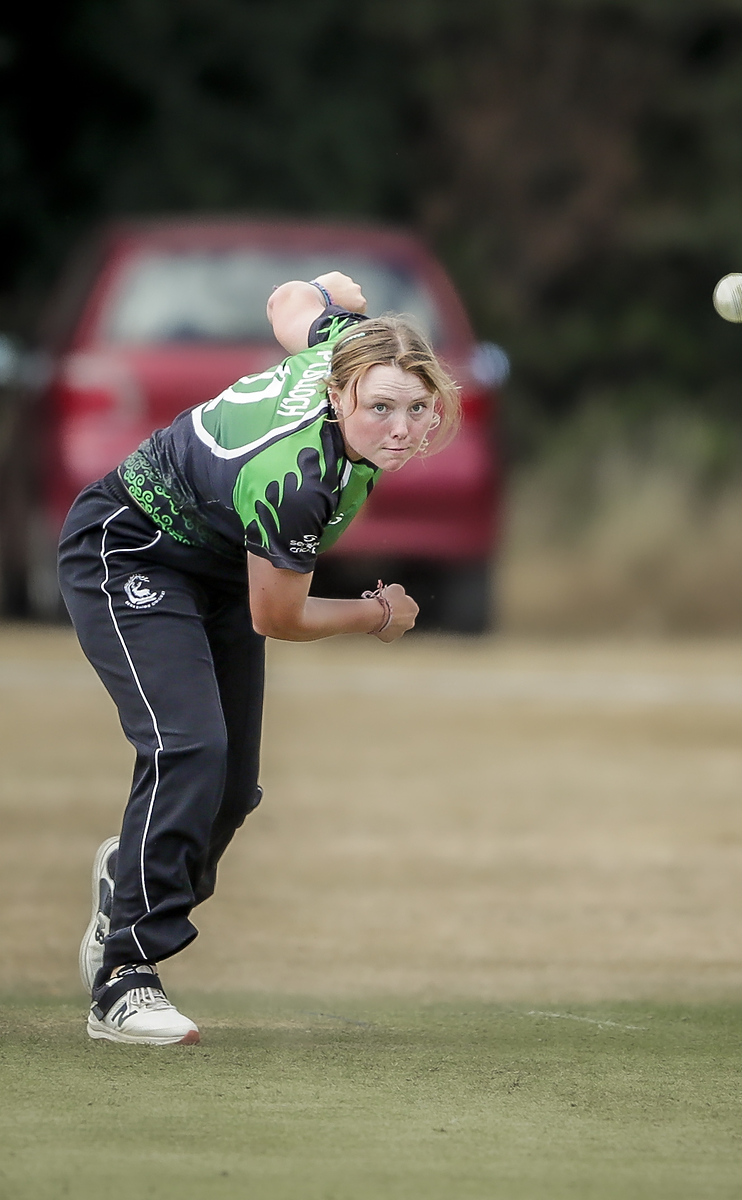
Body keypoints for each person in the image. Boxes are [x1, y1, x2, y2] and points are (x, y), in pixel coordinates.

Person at [58, 273, 461, 1045]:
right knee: (188, 747)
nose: (403, 428)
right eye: (381, 408)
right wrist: (378, 614)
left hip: (213, 566)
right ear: (339, 397)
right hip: (127, 548)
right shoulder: (296, 479)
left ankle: (127, 885)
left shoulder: (343, 343)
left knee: (231, 792)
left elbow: (287, 302)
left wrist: (327, 287)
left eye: (418, 408)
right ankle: (124, 979)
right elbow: (277, 614)